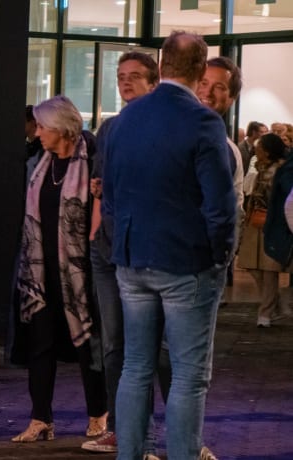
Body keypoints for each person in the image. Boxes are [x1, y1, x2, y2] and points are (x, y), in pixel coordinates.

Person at [102, 31, 235, 460]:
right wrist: (221, 255)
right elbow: (220, 204)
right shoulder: (203, 122)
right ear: (200, 71)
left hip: (131, 259)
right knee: (188, 376)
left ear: (161, 66)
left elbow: (111, 197)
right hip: (185, 262)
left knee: (135, 367)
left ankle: (132, 453)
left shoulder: (123, 122)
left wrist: (121, 246)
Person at [11, 95, 107, 443]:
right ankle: (41, 419)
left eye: (42, 127)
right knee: (41, 343)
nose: (36, 133)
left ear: (63, 129)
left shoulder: (93, 162)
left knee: (89, 346)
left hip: (82, 273)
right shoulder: (39, 163)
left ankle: (99, 415)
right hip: (40, 272)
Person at [82, 51, 158, 455]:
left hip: (147, 251)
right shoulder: (109, 130)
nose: (125, 83)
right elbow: (100, 183)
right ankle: (121, 427)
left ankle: (170, 434)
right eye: (120, 76)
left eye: (134, 77)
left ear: (153, 82)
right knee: (113, 345)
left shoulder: (162, 126)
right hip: (109, 247)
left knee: (151, 348)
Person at [238, 133, 287, 328]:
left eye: (259, 147)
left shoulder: (280, 170)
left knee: (269, 270)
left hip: (272, 222)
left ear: (266, 150)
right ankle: (276, 303)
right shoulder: (260, 168)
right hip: (255, 221)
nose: (255, 150)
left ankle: (265, 313)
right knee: (251, 265)